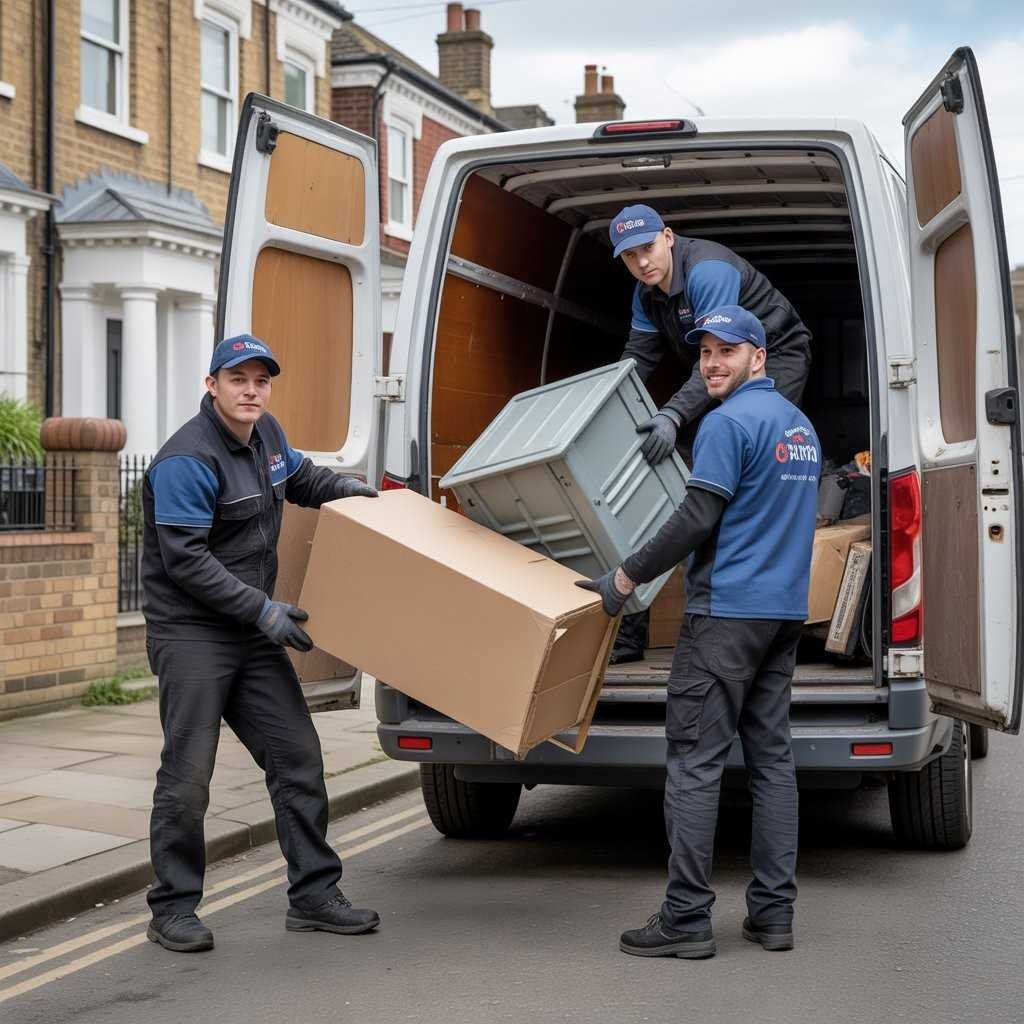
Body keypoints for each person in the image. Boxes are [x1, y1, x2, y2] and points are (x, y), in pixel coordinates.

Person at [578, 306, 821, 960]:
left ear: (758, 358)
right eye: (705, 352)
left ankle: (686, 916)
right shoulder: (799, 429)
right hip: (782, 616)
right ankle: (774, 915)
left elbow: (694, 518)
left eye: (727, 351)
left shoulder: (725, 424)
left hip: (725, 619)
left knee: (694, 764)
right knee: (772, 763)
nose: (713, 363)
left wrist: (624, 580)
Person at [141, 333, 380, 953]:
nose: (251, 390)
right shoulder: (185, 461)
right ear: (211, 385)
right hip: (192, 634)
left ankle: (314, 896)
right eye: (238, 379)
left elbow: (300, 478)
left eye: (261, 380)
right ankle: (171, 907)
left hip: (250, 630)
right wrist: (263, 611)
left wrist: (347, 490)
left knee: (297, 755)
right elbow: (186, 562)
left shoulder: (266, 434)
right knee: (189, 774)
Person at [608, 204, 813, 664]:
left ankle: (753, 616)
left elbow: (722, 357)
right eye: (629, 256)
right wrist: (598, 413)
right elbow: (636, 363)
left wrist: (673, 414)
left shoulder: (707, 271)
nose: (641, 262)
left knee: (747, 458)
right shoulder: (646, 295)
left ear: (668, 236)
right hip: (717, 371)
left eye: (647, 248)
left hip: (773, 357)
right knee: (666, 471)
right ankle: (630, 633)